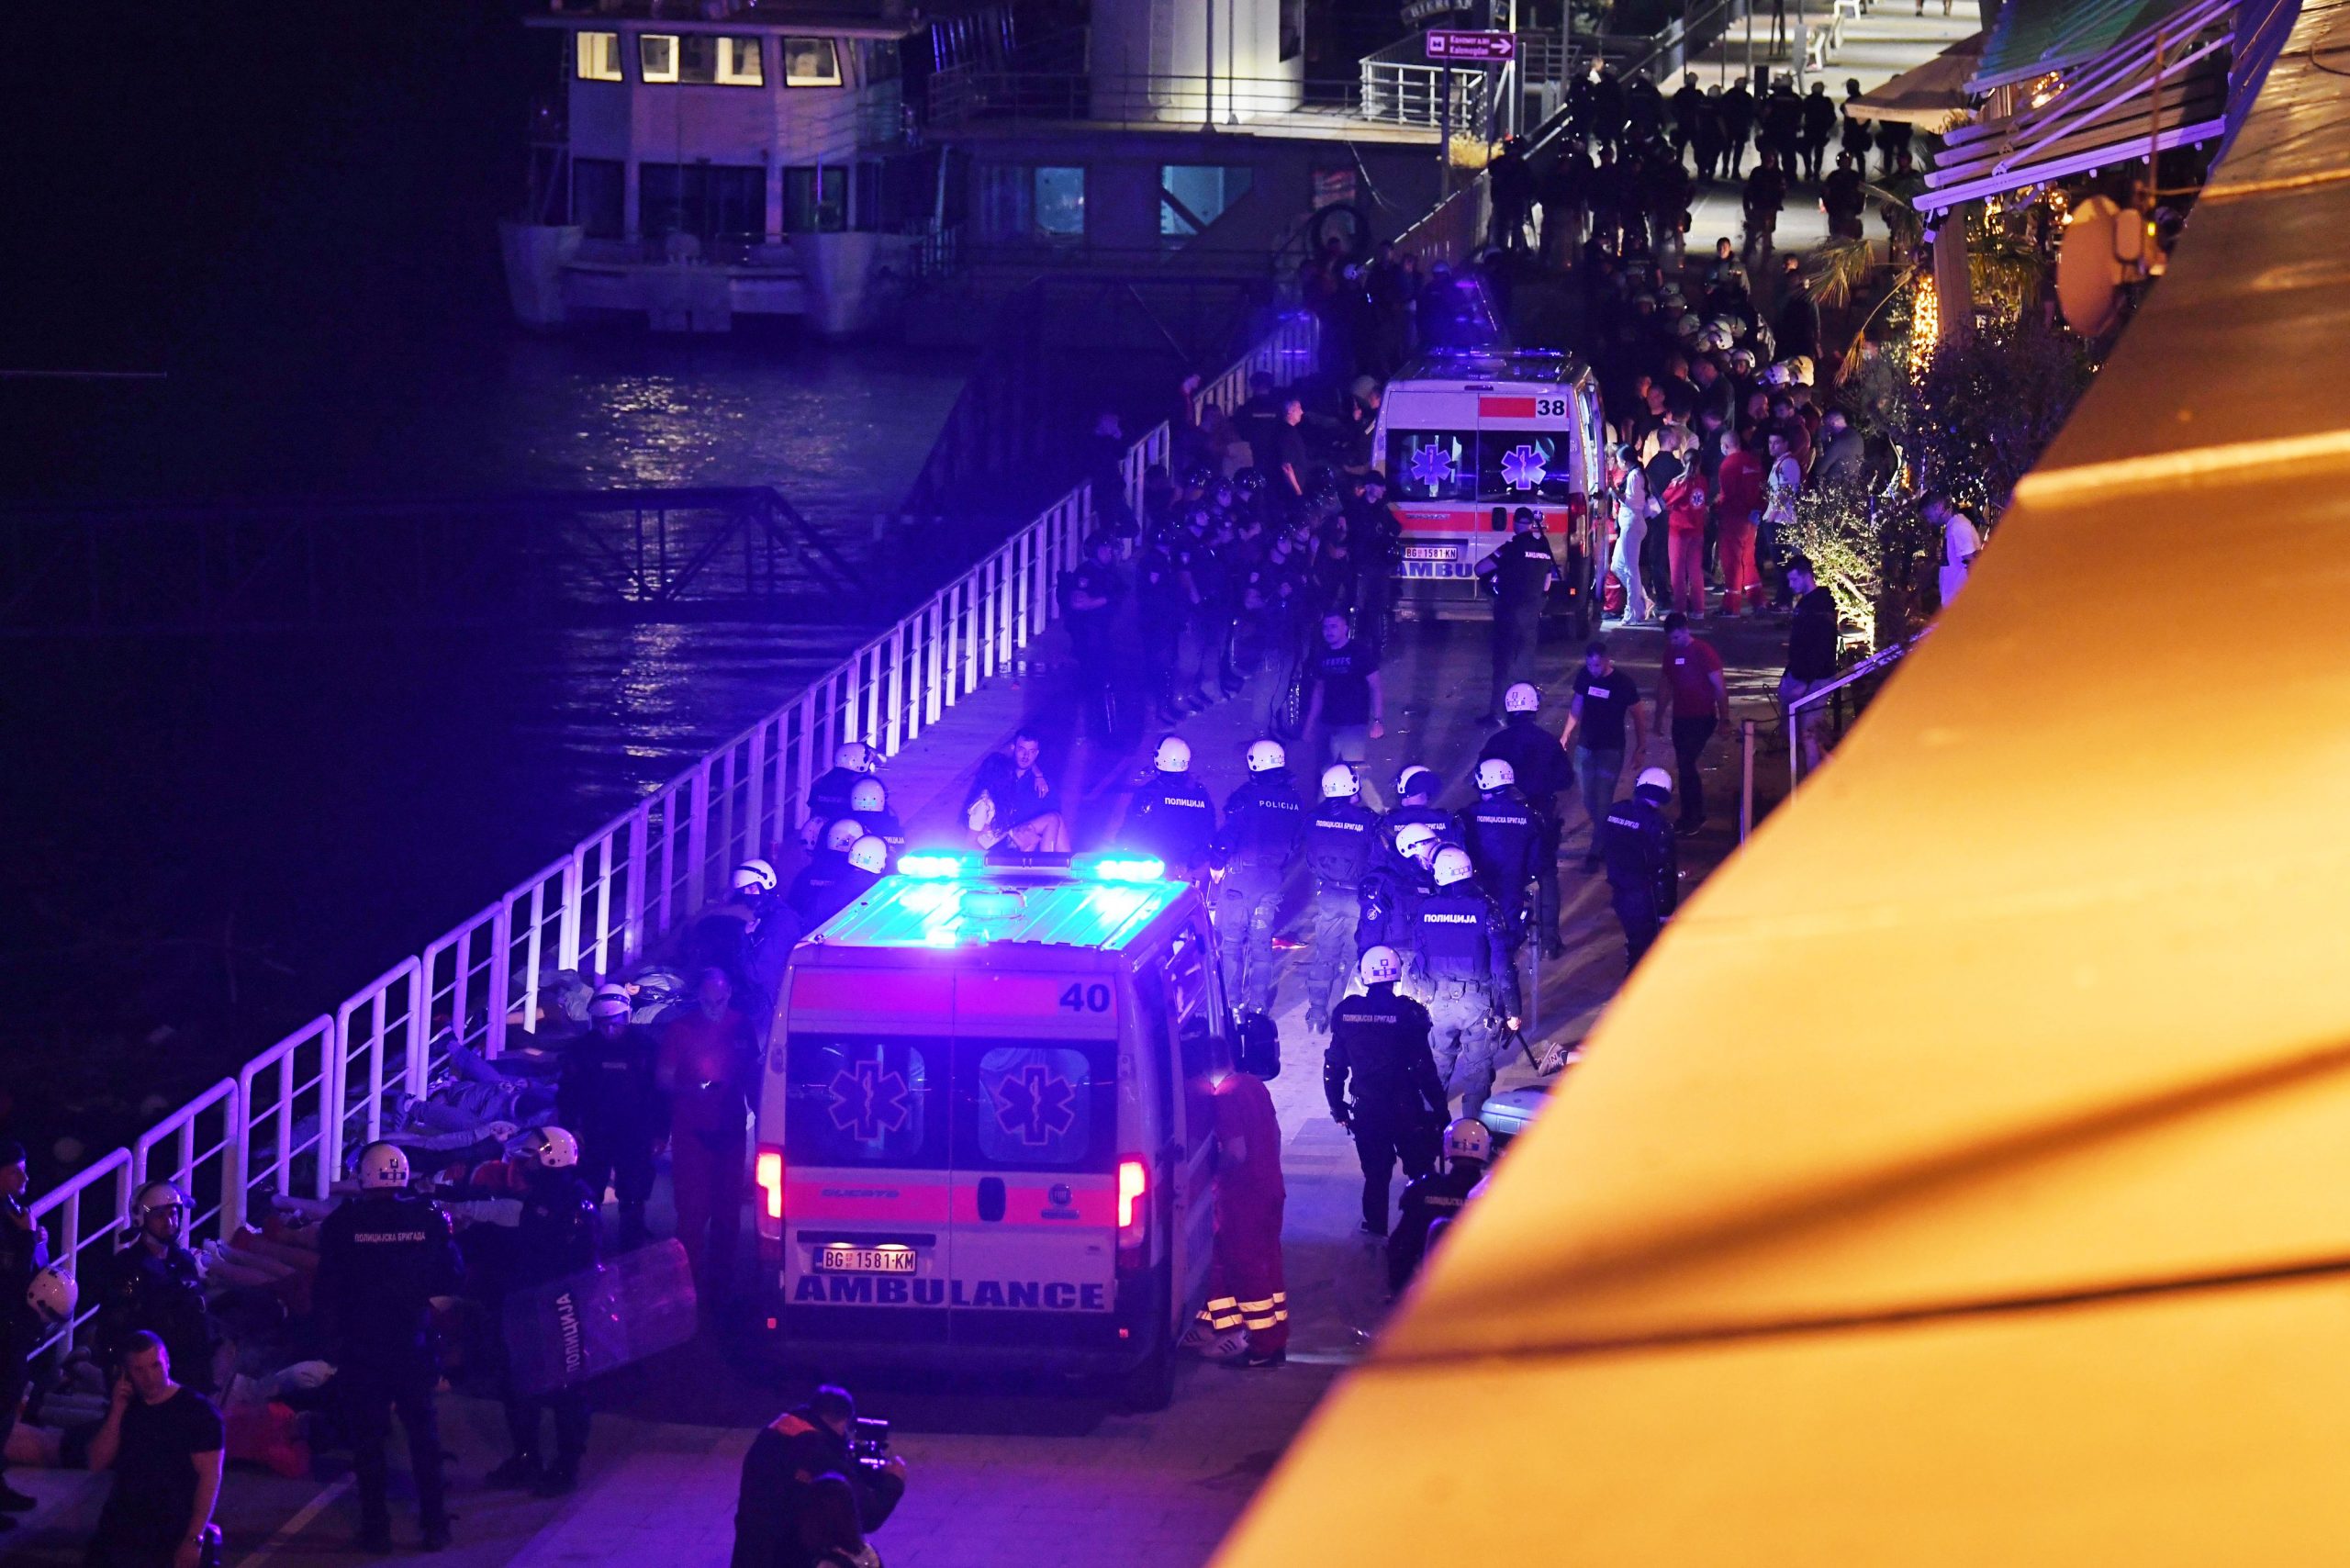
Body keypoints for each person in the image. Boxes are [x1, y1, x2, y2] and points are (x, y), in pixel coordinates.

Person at [316, 1142, 464, 1552]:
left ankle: (376, 1530)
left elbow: (326, 1287)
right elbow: (452, 1274)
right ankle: (434, 1525)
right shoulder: (427, 1218)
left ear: (364, 1176)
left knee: (368, 1442)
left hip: (361, 1348)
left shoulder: (344, 1225)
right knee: (423, 1437)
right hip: (410, 1343)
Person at [448, 1126, 600, 1497]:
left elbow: (560, 1256)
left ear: (550, 1158)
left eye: (532, 1156)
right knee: (517, 1382)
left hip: (561, 1305)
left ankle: (566, 1465)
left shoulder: (574, 1204)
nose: (525, 1162)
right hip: (528, 1303)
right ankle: (527, 1457)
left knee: (567, 1387)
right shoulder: (543, 1198)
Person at [1325, 947, 1449, 1237]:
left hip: (1367, 1108)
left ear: (1364, 976)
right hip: (1406, 1108)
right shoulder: (1409, 1013)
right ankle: (1420, 1227)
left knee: (1376, 1174)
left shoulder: (1348, 1014)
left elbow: (1334, 1066)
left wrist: (1338, 1108)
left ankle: (1376, 1228)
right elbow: (1425, 1069)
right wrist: (1441, 1111)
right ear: (1396, 976)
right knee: (1420, 1171)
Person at [660, 968, 760, 1306]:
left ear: (729, 993)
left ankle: (721, 1287)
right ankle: (685, 1285)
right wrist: (694, 1090)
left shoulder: (742, 1026)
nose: (713, 1008)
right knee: (691, 1211)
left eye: (718, 1001)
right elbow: (663, 1080)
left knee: (728, 1212)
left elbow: (753, 1076)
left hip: (730, 1129)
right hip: (692, 1131)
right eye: (706, 1002)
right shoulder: (680, 1030)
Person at [84, 1332, 222, 1568]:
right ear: (127, 1373)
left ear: (167, 1361)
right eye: (139, 1370)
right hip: (124, 1527)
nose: (150, 1377)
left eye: (156, 1365)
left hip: (173, 1528)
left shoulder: (198, 1412)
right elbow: (96, 1462)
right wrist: (117, 1411)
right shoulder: (128, 1408)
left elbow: (209, 1477)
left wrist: (194, 1538)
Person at [732, 1385, 906, 1568]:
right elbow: (868, 1516)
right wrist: (894, 1481)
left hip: (750, 1548)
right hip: (789, 1555)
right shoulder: (819, 1452)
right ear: (843, 1421)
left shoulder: (774, 1432)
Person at [1196, 1033, 1288, 1368]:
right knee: (1267, 1261)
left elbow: (1235, 1152)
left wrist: (1210, 1173)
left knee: (1245, 1268)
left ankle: (1263, 1345)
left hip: (1242, 1198)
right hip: (1270, 1189)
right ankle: (1247, 1332)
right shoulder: (1253, 1085)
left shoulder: (1224, 1097)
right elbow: (1274, 1134)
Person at [1407, 847, 1521, 1117]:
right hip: (1477, 1004)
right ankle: (1471, 1135)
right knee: (1478, 1072)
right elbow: (1502, 966)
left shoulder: (1426, 909)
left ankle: (1428, 1129)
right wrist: (1513, 1010)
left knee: (1436, 1066)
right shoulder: (1486, 908)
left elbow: (1418, 956)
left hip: (1436, 1002)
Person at [558, 986, 664, 1249]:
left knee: (634, 1193)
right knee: (588, 1190)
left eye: (615, 1023)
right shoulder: (583, 1050)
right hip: (595, 1132)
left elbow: (660, 1094)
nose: (610, 1030)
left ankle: (633, 1243)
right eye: (604, 1024)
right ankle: (586, 1244)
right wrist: (571, 1128)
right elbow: (568, 1092)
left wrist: (661, 1132)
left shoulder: (645, 1048)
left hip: (635, 1132)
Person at [95, 1182, 217, 1395]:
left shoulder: (184, 1260)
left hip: (191, 1370)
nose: (169, 1222)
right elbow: (114, 1328)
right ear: (142, 1219)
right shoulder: (126, 1267)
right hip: (153, 1375)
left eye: (173, 1214)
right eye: (160, 1216)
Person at [1480, 684, 1572, 958]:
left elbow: (1481, 780)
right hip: (1539, 819)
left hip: (1498, 822)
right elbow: (1566, 780)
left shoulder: (1496, 743)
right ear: (1534, 708)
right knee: (1546, 875)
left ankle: (1493, 932)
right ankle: (1550, 941)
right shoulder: (1548, 742)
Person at [1214, 740, 1304, 1013]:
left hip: (1241, 879)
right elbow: (1297, 841)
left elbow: (1228, 835)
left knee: (1231, 943)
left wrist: (1217, 862)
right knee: (1261, 944)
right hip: (1272, 878)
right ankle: (1258, 1007)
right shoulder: (1294, 799)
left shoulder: (1246, 796)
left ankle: (1231, 1004)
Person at [1302, 764, 1380, 1034]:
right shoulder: (1367, 819)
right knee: (1354, 954)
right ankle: (1347, 1014)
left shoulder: (1313, 818)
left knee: (1325, 954)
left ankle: (1316, 1012)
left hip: (1329, 896)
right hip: (1358, 896)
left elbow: (1309, 854)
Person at [1564, 641, 1646, 871]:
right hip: (1585, 747)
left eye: (1597, 665)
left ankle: (1596, 851)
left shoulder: (1623, 683)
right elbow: (1577, 706)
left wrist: (1641, 747)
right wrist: (1566, 735)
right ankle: (1608, 835)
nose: (1593, 670)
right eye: (1589, 665)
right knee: (1588, 798)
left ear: (1607, 660)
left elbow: (1638, 716)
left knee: (1602, 800)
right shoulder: (1584, 677)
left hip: (1611, 749)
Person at [1387, 1117, 1492, 1295]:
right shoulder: (1494, 1194)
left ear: (1447, 1147)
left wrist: (1400, 1293)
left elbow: (1400, 1246)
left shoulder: (1423, 1188)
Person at [0, 1141, 47, 1529]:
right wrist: (27, 1239)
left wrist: (35, 1242)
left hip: (13, 1330)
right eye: (16, 1170)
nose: (24, 1178)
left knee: (6, 1409)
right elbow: (10, 1279)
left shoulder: (12, 1214)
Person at [1476, 507, 1557, 721]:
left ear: (1514, 524)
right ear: (1531, 524)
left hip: (1509, 612)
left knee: (1503, 662)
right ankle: (1525, 711)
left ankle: (1498, 713)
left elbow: (1480, 569)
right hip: (1532, 613)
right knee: (1525, 662)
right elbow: (1548, 583)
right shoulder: (1543, 548)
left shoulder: (1510, 548)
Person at [1460, 759, 1543, 956]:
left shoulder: (1469, 814)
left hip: (1475, 887)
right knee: (1505, 943)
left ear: (1485, 783)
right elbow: (1536, 860)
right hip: (1512, 889)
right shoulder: (1529, 815)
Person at [1655, 613, 1729, 835]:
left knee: (1686, 764)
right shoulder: (1671, 653)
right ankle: (1691, 814)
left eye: (1677, 637)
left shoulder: (1703, 652)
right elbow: (1666, 685)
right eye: (1671, 639)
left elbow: (1719, 687)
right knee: (1685, 766)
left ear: (1686, 630)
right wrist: (1659, 716)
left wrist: (1724, 719)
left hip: (1702, 717)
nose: (1674, 642)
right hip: (1681, 717)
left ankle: (1692, 815)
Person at [1603, 767, 1680, 965]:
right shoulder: (1659, 826)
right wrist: (1665, 910)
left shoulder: (1615, 811)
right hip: (1644, 898)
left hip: (1619, 891)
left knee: (1635, 942)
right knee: (1644, 957)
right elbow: (1664, 871)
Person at [1121, 735, 1218, 879]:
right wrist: (1191, 863)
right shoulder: (1200, 793)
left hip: (1152, 868)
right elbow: (1209, 831)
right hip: (1189, 869)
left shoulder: (1150, 793)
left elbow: (1132, 827)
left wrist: (1122, 850)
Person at [1300, 610, 1383, 767]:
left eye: (1333, 626)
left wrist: (1378, 720)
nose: (1329, 631)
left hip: (1353, 723)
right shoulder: (1321, 654)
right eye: (1325, 627)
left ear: (1345, 628)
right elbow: (1319, 691)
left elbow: (1375, 686)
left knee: (1352, 773)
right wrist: (1310, 724)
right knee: (1325, 773)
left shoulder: (1360, 652)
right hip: (1327, 724)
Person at [965, 730, 1069, 853]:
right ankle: (1049, 862)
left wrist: (1038, 774)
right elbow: (971, 838)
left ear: (1036, 754)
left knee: (1056, 818)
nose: (1026, 756)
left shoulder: (1042, 783)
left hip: (1016, 833)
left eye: (1031, 752)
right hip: (1004, 839)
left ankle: (1063, 864)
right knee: (1052, 819)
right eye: (1022, 750)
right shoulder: (1004, 774)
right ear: (1013, 749)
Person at [1782, 555, 1840, 775]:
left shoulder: (1817, 608)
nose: (1790, 585)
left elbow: (1819, 649)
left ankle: (1814, 781)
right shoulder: (1812, 605)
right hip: (1803, 676)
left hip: (1814, 679)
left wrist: (1804, 683)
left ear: (1807, 576)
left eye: (1794, 580)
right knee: (1801, 732)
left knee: (1808, 732)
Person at [1713, 429, 1764, 615]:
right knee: (1748, 558)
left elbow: (1729, 494)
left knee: (1731, 560)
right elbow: (1761, 489)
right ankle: (1758, 600)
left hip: (1734, 517)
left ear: (1725, 446)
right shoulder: (1753, 461)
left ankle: (1731, 605)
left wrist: (1717, 506)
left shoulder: (1728, 464)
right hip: (1753, 516)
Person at [1660, 441, 1709, 618]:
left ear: (1682, 461)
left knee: (1677, 572)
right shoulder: (1702, 481)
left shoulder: (1679, 483)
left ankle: (1679, 609)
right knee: (1695, 571)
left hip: (1679, 532)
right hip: (1697, 531)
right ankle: (1699, 609)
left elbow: (1664, 501)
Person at [1607, 444, 1654, 624]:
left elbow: (1633, 502)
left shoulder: (1635, 476)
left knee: (1631, 569)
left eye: (1619, 461)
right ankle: (1642, 601)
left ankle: (1633, 612)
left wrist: (1614, 490)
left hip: (1632, 525)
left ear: (1625, 461)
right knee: (1617, 566)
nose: (1618, 464)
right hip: (1629, 524)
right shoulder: (1635, 474)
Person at [802, 743, 877, 849]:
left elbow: (814, 811)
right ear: (858, 763)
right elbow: (872, 813)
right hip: (850, 840)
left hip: (821, 841)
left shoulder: (822, 782)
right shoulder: (858, 786)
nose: (869, 770)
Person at [1928, 493, 1984, 608]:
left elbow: (1972, 563)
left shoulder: (1958, 527)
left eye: (1928, 515)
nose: (1929, 520)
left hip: (1960, 604)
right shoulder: (1953, 525)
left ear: (1938, 507)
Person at [1800, 81, 1838, 182]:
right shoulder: (1826, 101)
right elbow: (1833, 117)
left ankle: (1808, 170)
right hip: (1821, 130)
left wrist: (1801, 126)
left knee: (1806, 151)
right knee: (1819, 152)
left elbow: (1801, 114)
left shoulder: (1808, 100)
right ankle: (1816, 171)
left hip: (1809, 129)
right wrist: (1827, 127)